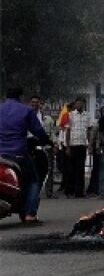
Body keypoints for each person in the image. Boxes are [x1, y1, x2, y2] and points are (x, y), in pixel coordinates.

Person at [0, 87, 50, 224]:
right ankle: (30, 214)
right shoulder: (26, 110)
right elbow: (38, 131)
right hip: (18, 153)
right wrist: (47, 141)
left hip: (1, 154)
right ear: (20, 97)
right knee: (34, 180)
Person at [64, 97, 93, 198]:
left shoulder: (87, 116)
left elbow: (89, 131)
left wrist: (90, 145)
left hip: (82, 145)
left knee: (80, 170)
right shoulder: (70, 115)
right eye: (78, 103)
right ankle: (70, 191)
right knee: (71, 169)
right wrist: (67, 147)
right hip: (72, 145)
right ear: (75, 104)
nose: (79, 105)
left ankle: (79, 192)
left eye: (81, 103)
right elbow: (67, 131)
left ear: (84, 104)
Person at [26, 96, 54, 199]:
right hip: (29, 145)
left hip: (43, 145)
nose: (34, 104)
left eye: (36, 103)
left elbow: (50, 133)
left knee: (47, 169)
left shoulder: (46, 118)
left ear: (40, 104)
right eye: (32, 103)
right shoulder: (26, 116)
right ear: (30, 103)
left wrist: (52, 144)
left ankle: (48, 192)